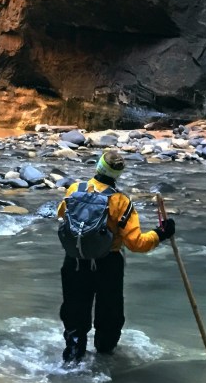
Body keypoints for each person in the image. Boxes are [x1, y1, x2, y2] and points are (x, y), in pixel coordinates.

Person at [57, 148, 175, 362]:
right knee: (109, 314)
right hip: (108, 264)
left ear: (98, 166)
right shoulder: (121, 201)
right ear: (117, 174)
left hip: (74, 261)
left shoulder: (74, 189)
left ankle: (73, 356)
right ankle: (105, 356)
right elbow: (136, 243)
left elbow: (62, 215)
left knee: (74, 310)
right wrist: (161, 233)